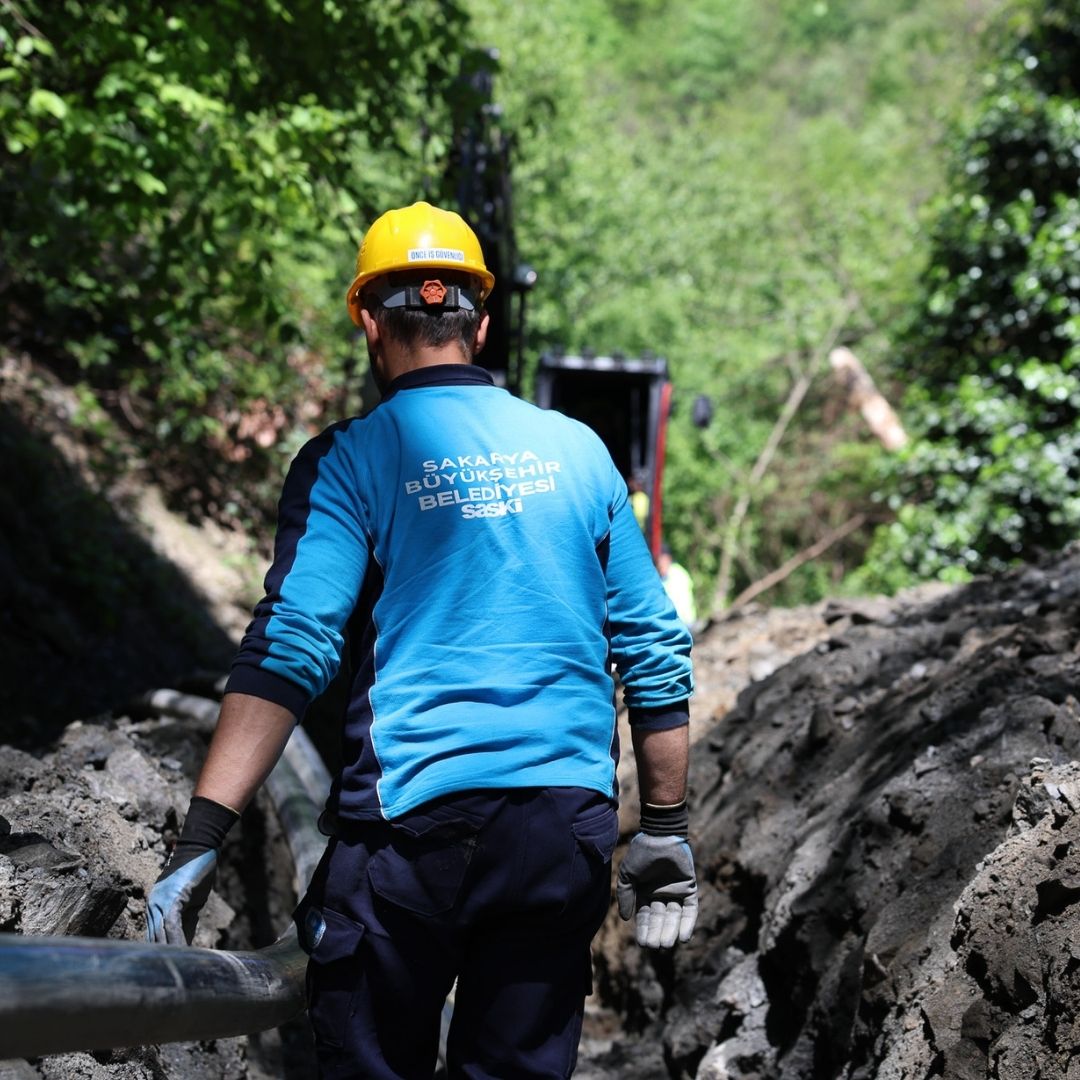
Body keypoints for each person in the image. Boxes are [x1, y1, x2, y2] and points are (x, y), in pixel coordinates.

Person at [145, 201, 697, 1079]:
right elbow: (655, 651)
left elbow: (292, 648)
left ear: (368, 320)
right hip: (562, 830)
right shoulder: (582, 452)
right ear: (481, 321)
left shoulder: (350, 457)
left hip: (411, 832)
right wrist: (663, 827)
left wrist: (201, 837)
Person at [657, 543, 697, 628]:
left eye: (660, 560)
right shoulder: (678, 571)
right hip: (684, 621)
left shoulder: (675, 574)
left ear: (667, 558)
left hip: (682, 622)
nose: (659, 564)